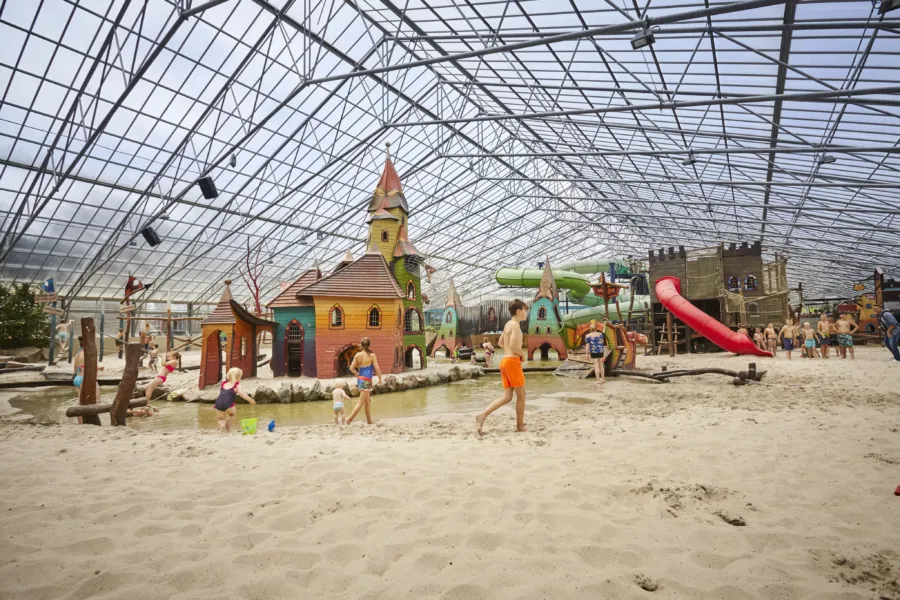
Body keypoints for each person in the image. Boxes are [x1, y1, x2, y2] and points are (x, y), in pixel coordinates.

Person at [476, 299, 528, 435]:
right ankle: (520, 426)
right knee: (521, 395)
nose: (526, 313)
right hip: (512, 362)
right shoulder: (515, 326)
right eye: (525, 310)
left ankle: (482, 415)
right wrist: (522, 354)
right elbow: (512, 346)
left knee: (507, 396)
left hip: (504, 361)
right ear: (519, 311)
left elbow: (500, 342)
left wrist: (510, 352)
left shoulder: (507, 324)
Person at [347, 337, 382, 425]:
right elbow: (377, 369)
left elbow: (351, 368)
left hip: (361, 380)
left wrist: (356, 373)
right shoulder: (372, 355)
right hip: (366, 380)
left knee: (367, 401)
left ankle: (369, 421)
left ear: (361, 345)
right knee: (360, 402)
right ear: (369, 345)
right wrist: (380, 379)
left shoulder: (358, 355)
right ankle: (348, 420)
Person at [72, 336, 104, 424]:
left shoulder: (78, 354)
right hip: (85, 379)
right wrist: (100, 368)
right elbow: (90, 369)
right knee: (97, 401)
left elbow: (75, 369)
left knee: (80, 404)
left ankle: (81, 424)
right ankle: (94, 422)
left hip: (77, 378)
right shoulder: (88, 353)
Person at [214, 367, 256, 432]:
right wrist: (251, 400)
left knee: (221, 419)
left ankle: (222, 426)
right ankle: (228, 428)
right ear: (238, 377)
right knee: (232, 415)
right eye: (240, 377)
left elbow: (223, 394)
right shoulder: (237, 386)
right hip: (228, 404)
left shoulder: (223, 384)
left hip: (218, 403)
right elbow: (242, 394)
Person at [584, 320, 607, 386]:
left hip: (593, 352)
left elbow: (587, 345)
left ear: (590, 329)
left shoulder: (588, 336)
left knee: (596, 366)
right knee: (601, 366)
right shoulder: (600, 334)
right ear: (596, 328)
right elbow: (602, 342)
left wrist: (586, 354)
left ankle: (598, 380)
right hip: (600, 351)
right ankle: (603, 379)